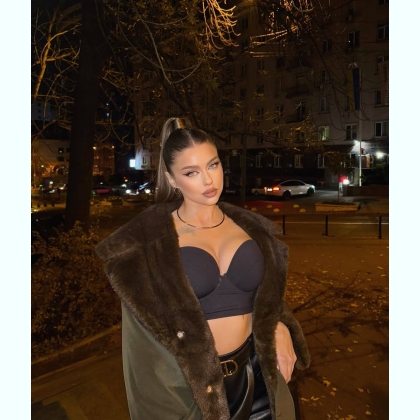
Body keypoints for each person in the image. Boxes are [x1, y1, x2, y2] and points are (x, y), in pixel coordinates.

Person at [95, 117, 310, 420]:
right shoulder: (146, 246)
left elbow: (268, 298)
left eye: (213, 165)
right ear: (172, 179)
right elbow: (142, 349)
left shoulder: (252, 229)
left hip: (259, 374)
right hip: (192, 391)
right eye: (191, 172)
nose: (208, 180)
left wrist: (280, 325)